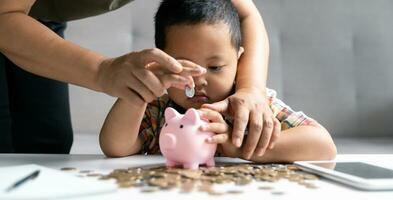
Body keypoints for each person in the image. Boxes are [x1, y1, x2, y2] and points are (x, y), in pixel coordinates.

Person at [0, 0, 271, 154]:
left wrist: (251, 89)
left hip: (38, 18)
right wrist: (101, 71)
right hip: (9, 16)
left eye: (214, 67)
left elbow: (244, 12)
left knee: (46, 144)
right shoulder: (157, 113)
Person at [99, 0, 337, 162]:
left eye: (215, 67)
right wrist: (141, 89)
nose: (200, 80)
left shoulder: (250, 106)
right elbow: (114, 146)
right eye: (184, 66)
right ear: (162, 62)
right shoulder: (160, 106)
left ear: (238, 61)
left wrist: (243, 148)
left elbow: (323, 145)